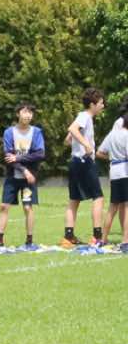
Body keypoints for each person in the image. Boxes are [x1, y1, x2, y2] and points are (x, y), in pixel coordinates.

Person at [0, 102, 46, 252]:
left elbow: (40, 154)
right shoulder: (9, 132)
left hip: (28, 180)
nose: (28, 115)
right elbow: (8, 157)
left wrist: (19, 159)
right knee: (4, 206)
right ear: (17, 114)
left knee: (27, 207)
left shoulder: (36, 132)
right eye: (25, 112)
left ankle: (29, 241)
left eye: (30, 113)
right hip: (13, 177)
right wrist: (23, 169)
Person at [63, 88, 106, 250]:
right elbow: (72, 129)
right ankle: (97, 237)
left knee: (74, 199)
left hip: (75, 162)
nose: (103, 106)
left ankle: (68, 237)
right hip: (84, 162)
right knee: (98, 197)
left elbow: (68, 139)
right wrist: (86, 144)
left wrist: (77, 141)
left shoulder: (83, 117)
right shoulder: (85, 116)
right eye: (100, 103)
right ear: (92, 104)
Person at [100, 99, 128, 250]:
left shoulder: (111, 134)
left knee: (113, 207)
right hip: (125, 171)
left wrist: (112, 158)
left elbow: (99, 152)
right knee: (127, 206)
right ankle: (125, 241)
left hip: (114, 171)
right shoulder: (126, 135)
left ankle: (103, 239)